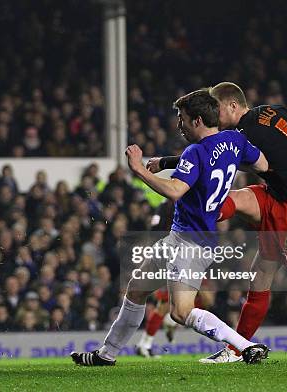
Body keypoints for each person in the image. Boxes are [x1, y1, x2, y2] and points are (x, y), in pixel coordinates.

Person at [71, 89, 270, 366]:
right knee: (137, 287)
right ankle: (107, 354)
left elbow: (176, 190)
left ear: (198, 121)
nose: (179, 125)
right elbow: (262, 163)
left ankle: (244, 346)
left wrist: (139, 170)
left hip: (191, 244)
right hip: (180, 237)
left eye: (183, 119)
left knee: (180, 312)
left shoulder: (196, 151)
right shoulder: (235, 140)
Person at [147, 82, 287, 363]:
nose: (213, 117)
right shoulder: (273, 111)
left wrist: (167, 162)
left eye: (217, 110)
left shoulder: (243, 132)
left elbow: (216, 157)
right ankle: (191, 237)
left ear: (233, 106)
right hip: (276, 194)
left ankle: (236, 351)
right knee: (228, 198)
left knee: (260, 278)